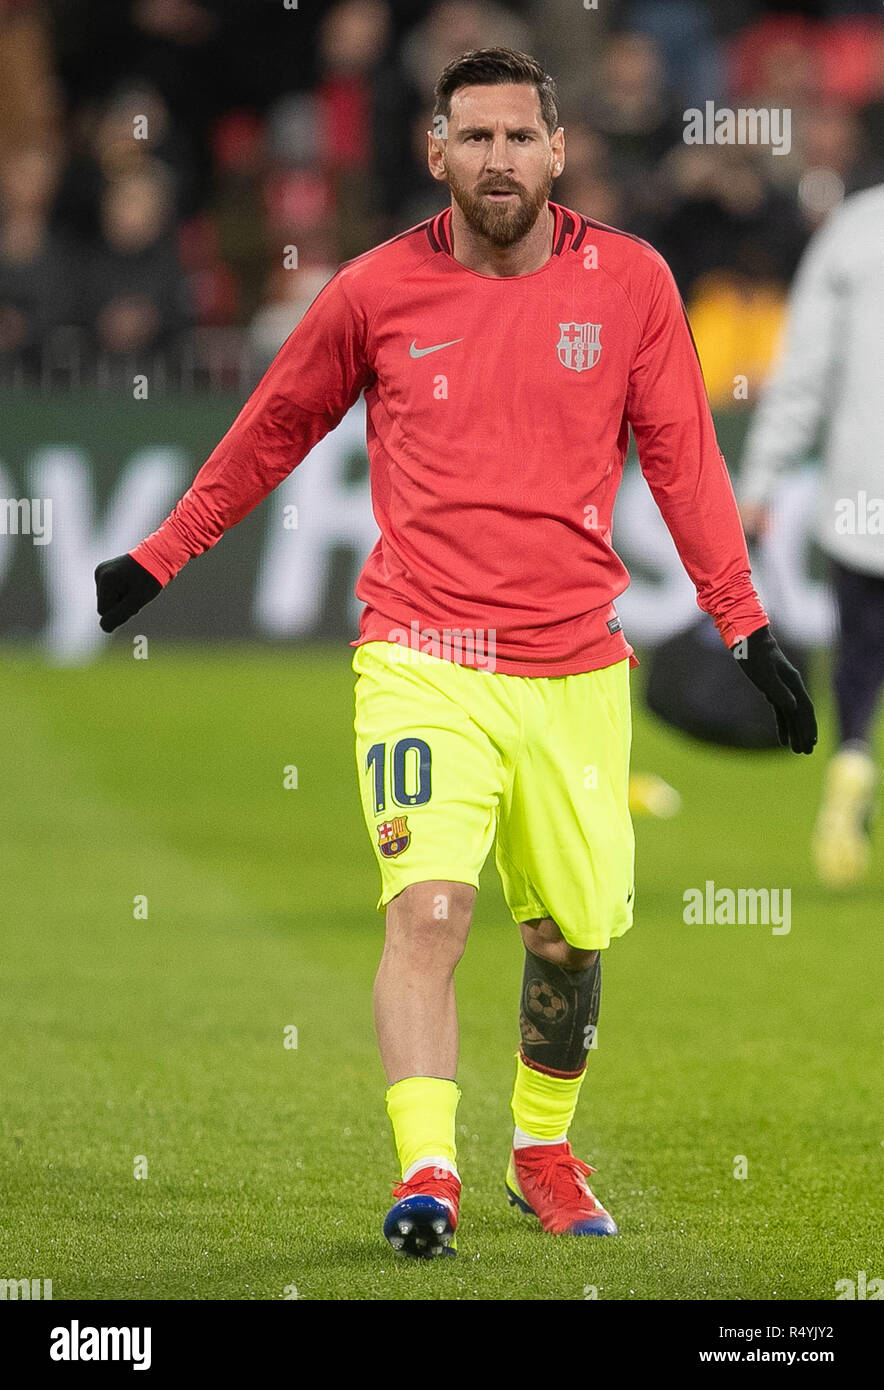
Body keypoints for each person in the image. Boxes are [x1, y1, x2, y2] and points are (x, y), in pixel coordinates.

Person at [94, 48, 816, 1259]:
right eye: (471, 138)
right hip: (421, 655)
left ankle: (541, 1151)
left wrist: (740, 620)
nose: (496, 160)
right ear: (435, 152)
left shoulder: (629, 283)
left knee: (569, 939)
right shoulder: (376, 290)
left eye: (516, 138)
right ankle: (426, 1176)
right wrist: (162, 554)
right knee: (426, 914)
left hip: (575, 670)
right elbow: (271, 428)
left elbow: (684, 460)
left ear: (556, 150)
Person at [740, 183, 884, 889]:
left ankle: (854, 752)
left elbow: (802, 374)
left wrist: (761, 478)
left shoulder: (854, 230)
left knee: (859, 648)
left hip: (864, 494)